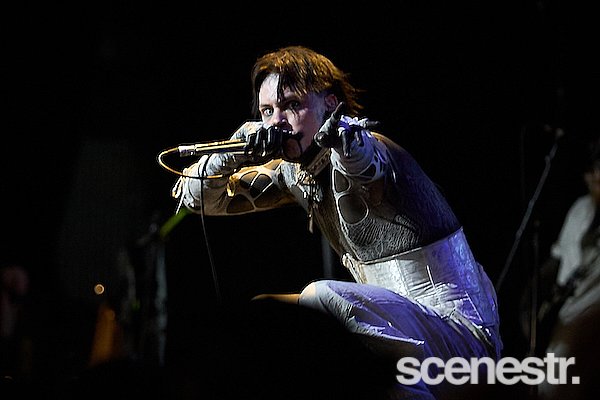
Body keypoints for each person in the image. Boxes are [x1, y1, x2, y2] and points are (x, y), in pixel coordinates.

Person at [169, 45, 502, 399]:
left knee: (321, 297)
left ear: (330, 103)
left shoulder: (364, 145)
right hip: (402, 335)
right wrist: (234, 151)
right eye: (267, 111)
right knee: (266, 312)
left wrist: (348, 145)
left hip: (462, 339)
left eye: (291, 105)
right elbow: (199, 198)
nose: (276, 121)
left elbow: (366, 167)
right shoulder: (293, 172)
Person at [534, 135, 600, 399]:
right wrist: (532, 300)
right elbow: (558, 259)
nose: (591, 175)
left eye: (598, 168)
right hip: (562, 321)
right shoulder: (581, 208)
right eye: (591, 168)